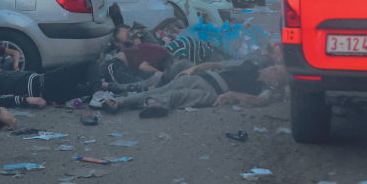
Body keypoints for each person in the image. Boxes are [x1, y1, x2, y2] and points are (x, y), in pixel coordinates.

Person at [102, 60, 286, 118]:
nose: (273, 68)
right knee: (158, 90)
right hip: (203, 77)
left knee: (176, 95)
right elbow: (219, 64)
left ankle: (158, 105)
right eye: (275, 66)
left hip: (213, 92)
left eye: (277, 71)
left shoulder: (264, 88)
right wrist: (194, 68)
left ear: (276, 82)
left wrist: (232, 94)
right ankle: (119, 103)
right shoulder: (250, 64)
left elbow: (261, 101)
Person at [0, 61, 102, 106]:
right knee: (90, 64)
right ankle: (99, 96)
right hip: (45, 83)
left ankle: (106, 91)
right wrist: (27, 100)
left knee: (87, 88)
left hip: (48, 88)